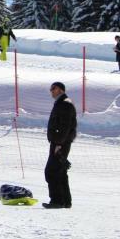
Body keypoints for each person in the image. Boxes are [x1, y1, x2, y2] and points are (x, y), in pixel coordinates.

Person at [44, 81, 77, 209]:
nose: (51, 90)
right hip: (60, 142)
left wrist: (58, 143)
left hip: (60, 143)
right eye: (50, 88)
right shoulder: (62, 103)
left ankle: (57, 200)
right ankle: (65, 201)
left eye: (54, 88)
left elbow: (65, 126)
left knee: (51, 171)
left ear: (61, 90)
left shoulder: (65, 104)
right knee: (60, 171)